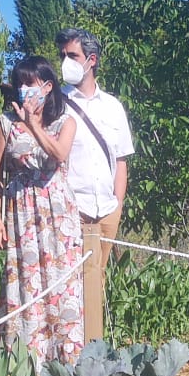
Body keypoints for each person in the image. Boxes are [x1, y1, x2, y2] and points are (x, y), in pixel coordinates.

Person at [0, 54, 83, 365]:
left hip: (58, 214)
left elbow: (58, 153)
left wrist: (33, 125)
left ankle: (65, 366)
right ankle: (27, 366)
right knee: (25, 286)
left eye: (30, 85)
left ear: (47, 86)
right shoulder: (6, 123)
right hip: (21, 214)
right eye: (20, 85)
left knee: (62, 286)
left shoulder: (65, 121)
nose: (24, 91)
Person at [56, 28, 134, 342]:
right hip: (70, 210)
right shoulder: (56, 103)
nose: (65, 62)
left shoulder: (113, 106)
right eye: (62, 56)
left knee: (97, 279)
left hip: (106, 210)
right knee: (67, 283)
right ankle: (67, 349)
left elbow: (121, 160)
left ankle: (93, 347)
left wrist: (117, 204)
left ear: (91, 60)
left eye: (72, 56)